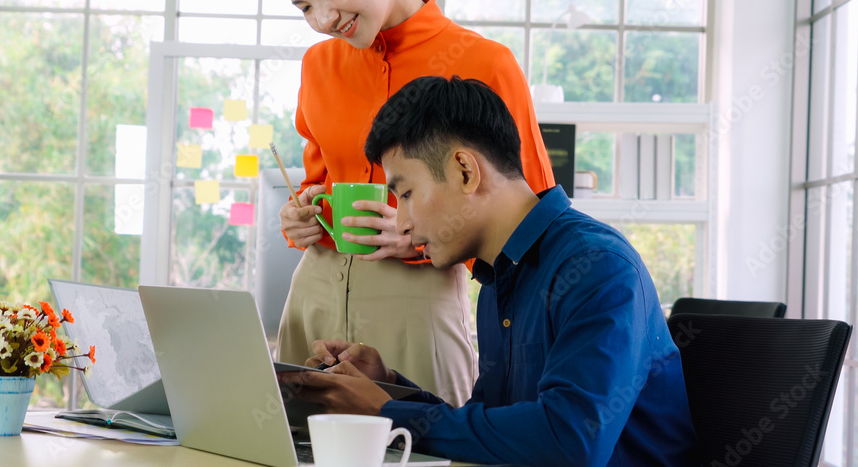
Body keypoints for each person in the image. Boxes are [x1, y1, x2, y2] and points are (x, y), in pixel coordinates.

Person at [277, 76, 700, 465]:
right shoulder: (499, 275)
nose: (402, 222)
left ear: (466, 171)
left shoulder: (598, 267)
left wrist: (384, 411)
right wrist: (387, 386)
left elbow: (571, 442)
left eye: (406, 193)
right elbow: (497, 429)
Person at [271, 0, 556, 406]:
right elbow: (317, 184)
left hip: (416, 298)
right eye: (303, 7)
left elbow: (526, 224)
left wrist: (424, 236)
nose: (322, 19)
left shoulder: (484, 63)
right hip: (314, 291)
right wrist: (300, 218)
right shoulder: (318, 65)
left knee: (423, 448)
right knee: (294, 445)